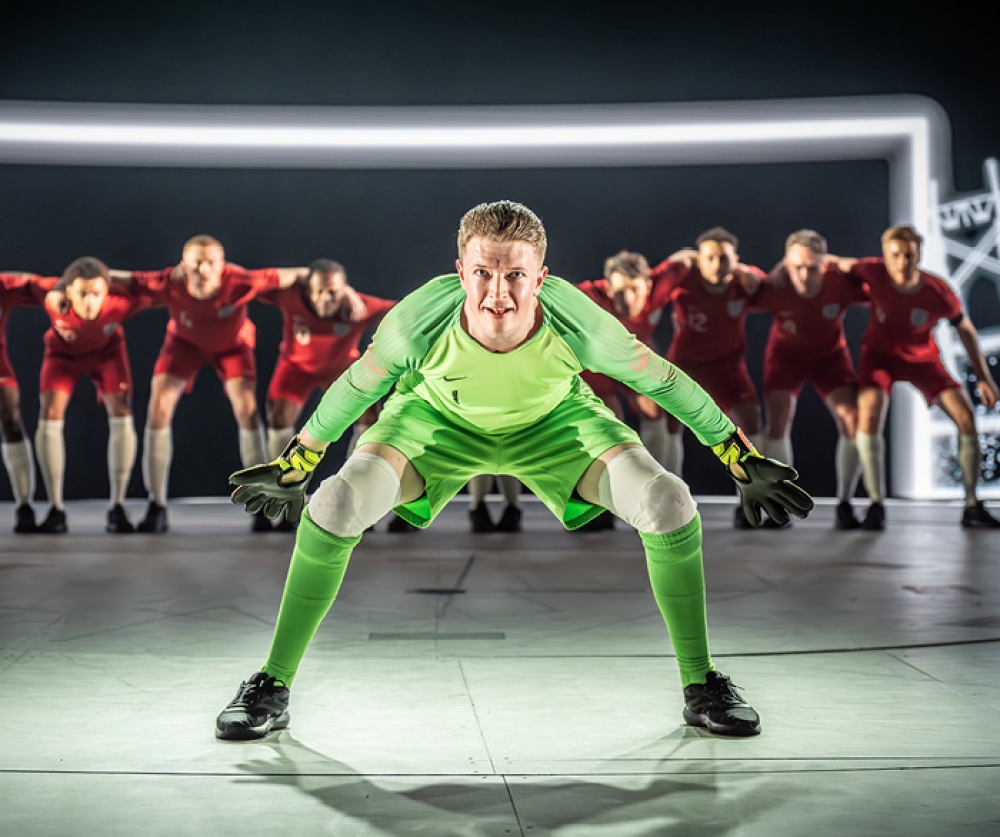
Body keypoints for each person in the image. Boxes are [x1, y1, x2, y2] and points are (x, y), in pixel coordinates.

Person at [215, 200, 812, 743]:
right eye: (482, 273)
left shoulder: (580, 321)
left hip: (555, 423)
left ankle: (701, 684)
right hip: (433, 423)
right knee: (334, 505)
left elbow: (663, 380)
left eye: (515, 275)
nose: (497, 292)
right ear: (460, 272)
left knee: (670, 502)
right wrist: (301, 459)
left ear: (541, 279)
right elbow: (356, 386)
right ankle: (271, 683)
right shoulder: (415, 322)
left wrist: (737, 453)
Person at [116, 235, 308, 533]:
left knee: (247, 410)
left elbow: (298, 274)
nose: (204, 270)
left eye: (210, 264)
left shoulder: (242, 281)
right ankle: (157, 505)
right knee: (158, 409)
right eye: (197, 264)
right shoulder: (169, 281)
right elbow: (122, 279)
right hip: (183, 344)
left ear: (223, 266)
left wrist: (341, 290)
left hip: (233, 347)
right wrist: (70, 281)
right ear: (183, 267)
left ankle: (262, 504)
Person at [834, 224, 1000, 529]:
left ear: (918, 255)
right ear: (885, 255)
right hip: (879, 358)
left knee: (965, 417)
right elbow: (839, 263)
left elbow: (964, 328)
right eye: (895, 255)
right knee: (868, 419)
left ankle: (972, 505)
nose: (902, 262)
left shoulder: (937, 290)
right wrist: (805, 259)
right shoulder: (873, 272)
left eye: (908, 255)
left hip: (922, 360)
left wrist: (984, 377)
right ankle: (875, 504)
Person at [256, 258, 396, 531]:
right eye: (317, 290)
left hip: (340, 369)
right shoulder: (292, 297)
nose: (324, 298)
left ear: (344, 290)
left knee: (371, 417)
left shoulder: (358, 307)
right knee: (278, 416)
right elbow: (252, 283)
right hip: (295, 368)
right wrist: (296, 273)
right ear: (308, 287)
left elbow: (402, 312)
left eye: (332, 291)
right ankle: (283, 496)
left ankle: (357, 500)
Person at [754, 229, 870, 529]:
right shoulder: (776, 286)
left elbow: (882, 284)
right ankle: (779, 507)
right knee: (777, 421)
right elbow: (733, 292)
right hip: (785, 357)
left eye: (812, 267)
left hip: (829, 358)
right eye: (797, 267)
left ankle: (845, 503)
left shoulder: (839, 282)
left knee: (853, 421)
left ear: (825, 264)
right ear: (785, 263)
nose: (804, 275)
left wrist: (844, 263)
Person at [33, 257, 157, 533]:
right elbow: (24, 285)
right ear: (68, 292)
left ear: (107, 292)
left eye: (97, 294)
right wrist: (53, 290)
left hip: (108, 354)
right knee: (49, 413)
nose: (90, 302)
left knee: (122, 413)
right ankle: (55, 508)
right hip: (62, 355)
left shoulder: (120, 303)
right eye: (83, 294)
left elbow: (157, 289)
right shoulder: (52, 297)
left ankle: (118, 506)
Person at [573, 248, 690, 529]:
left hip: (633, 362)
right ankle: (590, 505)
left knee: (657, 412)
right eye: (619, 292)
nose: (626, 300)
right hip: (597, 366)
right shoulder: (587, 295)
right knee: (609, 426)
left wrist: (743, 273)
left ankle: (660, 496)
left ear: (649, 285)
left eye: (634, 290)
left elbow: (687, 259)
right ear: (607, 287)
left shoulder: (661, 283)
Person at [661, 227, 768, 528]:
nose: (717, 264)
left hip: (726, 367)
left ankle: (751, 500)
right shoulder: (684, 278)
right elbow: (655, 281)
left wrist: (751, 274)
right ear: (699, 260)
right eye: (710, 257)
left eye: (724, 258)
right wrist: (679, 259)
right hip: (686, 365)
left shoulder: (742, 283)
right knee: (669, 425)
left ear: (735, 260)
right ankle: (671, 504)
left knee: (749, 422)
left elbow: (767, 286)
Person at [0, 270, 51, 533]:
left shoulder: (4, 285)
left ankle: (24, 505)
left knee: (11, 422)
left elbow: (39, 285)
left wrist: (64, 291)